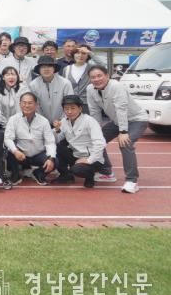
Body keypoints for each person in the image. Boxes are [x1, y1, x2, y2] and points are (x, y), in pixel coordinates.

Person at [87, 65, 148, 194]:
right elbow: (94, 111)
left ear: (107, 76)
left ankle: (132, 181)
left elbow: (121, 109)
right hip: (116, 122)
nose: (96, 79)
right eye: (93, 77)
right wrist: (95, 131)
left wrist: (123, 132)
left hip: (136, 119)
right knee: (96, 140)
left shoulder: (116, 86)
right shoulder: (90, 89)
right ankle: (106, 172)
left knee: (125, 143)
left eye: (99, 76)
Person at [54, 95, 107, 188]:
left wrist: (89, 160)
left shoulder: (89, 121)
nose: (69, 111)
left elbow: (100, 143)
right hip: (75, 155)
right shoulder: (64, 121)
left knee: (77, 170)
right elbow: (57, 139)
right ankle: (66, 175)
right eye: (66, 109)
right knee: (56, 147)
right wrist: (57, 130)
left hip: (92, 158)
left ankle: (90, 176)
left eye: (73, 108)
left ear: (80, 108)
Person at [4, 92, 56, 185]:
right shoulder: (13, 119)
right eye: (24, 103)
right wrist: (15, 151)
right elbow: (8, 138)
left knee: (55, 161)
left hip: (39, 155)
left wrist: (51, 158)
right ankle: (16, 175)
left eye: (30, 103)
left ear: (36, 105)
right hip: (21, 155)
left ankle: (38, 173)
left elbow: (50, 142)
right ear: (20, 104)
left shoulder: (44, 121)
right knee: (10, 151)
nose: (26, 105)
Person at [29, 56, 73, 128]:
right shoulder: (33, 85)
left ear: (54, 68)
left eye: (49, 66)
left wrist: (62, 121)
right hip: (41, 124)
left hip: (64, 123)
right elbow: (36, 107)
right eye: (43, 67)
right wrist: (44, 122)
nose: (46, 69)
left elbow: (69, 104)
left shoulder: (65, 83)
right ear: (39, 70)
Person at [62, 44, 96, 112]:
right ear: (73, 54)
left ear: (88, 56)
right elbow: (63, 87)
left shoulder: (92, 68)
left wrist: (89, 52)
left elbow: (102, 65)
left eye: (84, 53)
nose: (80, 55)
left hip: (88, 104)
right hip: (70, 104)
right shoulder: (67, 69)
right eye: (77, 53)